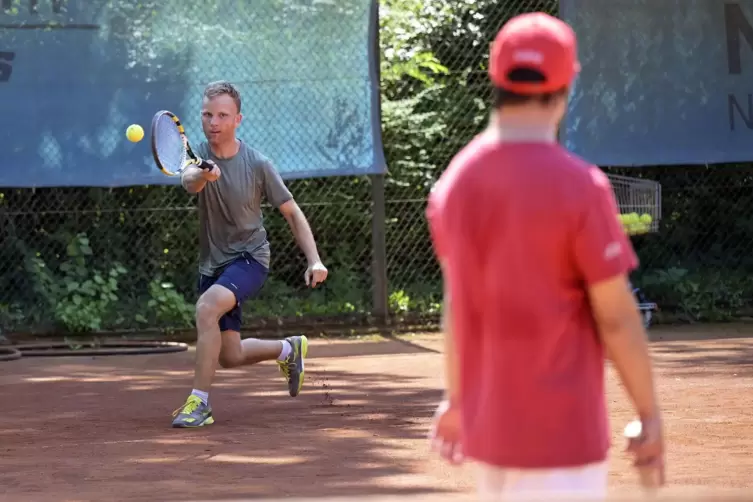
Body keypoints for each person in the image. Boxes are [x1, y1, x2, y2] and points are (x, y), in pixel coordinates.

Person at [426, 12, 665, 499]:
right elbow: (617, 317)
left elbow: (459, 306)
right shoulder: (581, 186)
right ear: (566, 85)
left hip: (491, 433)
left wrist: (455, 399)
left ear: (496, 77)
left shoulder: (456, 183)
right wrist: (648, 412)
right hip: (566, 437)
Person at [171, 81, 328, 428]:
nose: (213, 122)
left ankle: (199, 404)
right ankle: (288, 349)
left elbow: (291, 211)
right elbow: (189, 182)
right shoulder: (195, 153)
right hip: (212, 263)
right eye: (207, 114)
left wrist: (314, 258)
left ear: (238, 119)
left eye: (222, 115)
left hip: (250, 259)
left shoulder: (257, 164)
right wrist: (203, 173)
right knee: (230, 355)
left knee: (206, 307)